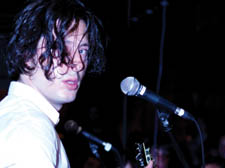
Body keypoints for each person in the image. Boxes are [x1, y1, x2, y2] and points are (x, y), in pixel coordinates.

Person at [0, 0, 105, 167]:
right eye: (60, 47)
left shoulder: (19, 115)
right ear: (27, 56)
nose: (78, 63)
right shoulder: (30, 127)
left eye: (83, 50)